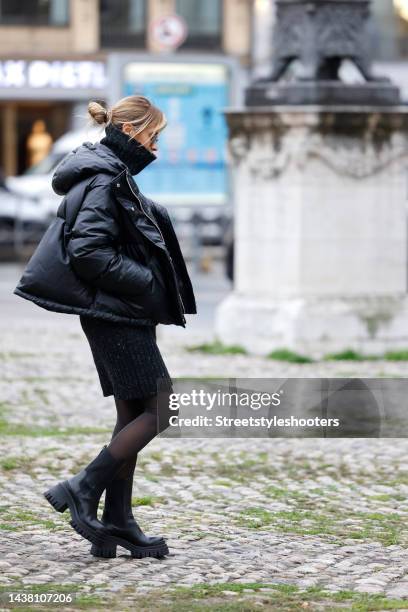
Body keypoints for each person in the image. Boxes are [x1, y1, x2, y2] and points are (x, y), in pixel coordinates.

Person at [13, 95, 197, 559]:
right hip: (116, 312)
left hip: (123, 311)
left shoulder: (111, 173)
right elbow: (89, 252)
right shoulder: (104, 178)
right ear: (132, 132)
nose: (156, 146)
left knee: (132, 414)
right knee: (162, 409)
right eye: (153, 136)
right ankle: (83, 485)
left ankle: (118, 521)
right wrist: (148, 281)